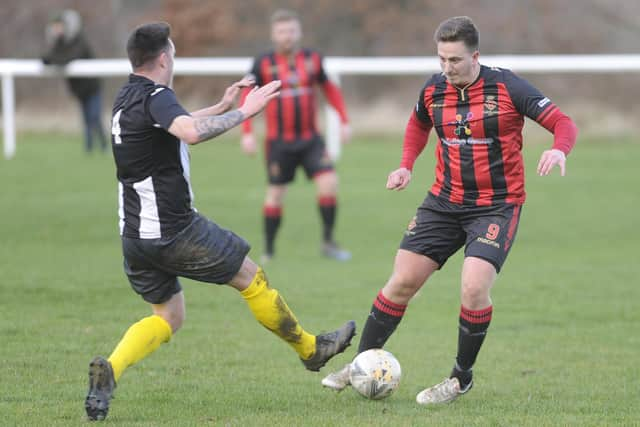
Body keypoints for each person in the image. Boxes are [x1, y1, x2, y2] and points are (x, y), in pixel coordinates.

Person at [84, 22, 356, 421]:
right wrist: (247, 111)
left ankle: (111, 370)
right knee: (251, 277)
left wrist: (222, 108)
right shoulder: (158, 95)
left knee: (169, 317)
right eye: (173, 53)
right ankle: (311, 350)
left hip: (134, 236)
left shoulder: (128, 96)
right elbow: (190, 133)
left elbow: (174, 125)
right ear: (163, 58)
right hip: (175, 231)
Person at [321, 16, 577, 405]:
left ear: (475, 55)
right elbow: (417, 125)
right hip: (443, 202)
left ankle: (460, 379)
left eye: (454, 60)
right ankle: (361, 363)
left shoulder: (508, 86)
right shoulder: (434, 88)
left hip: (495, 207)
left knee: (474, 287)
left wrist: (559, 148)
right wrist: (406, 164)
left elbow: (562, 121)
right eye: (441, 58)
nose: (446, 67)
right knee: (402, 281)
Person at [240, 9, 352, 262]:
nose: (287, 36)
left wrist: (344, 120)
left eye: (291, 30)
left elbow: (330, 90)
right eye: (282, 31)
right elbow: (247, 94)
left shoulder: (312, 59)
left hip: (311, 140)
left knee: (329, 184)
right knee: (276, 194)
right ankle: (268, 251)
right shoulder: (263, 63)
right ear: (273, 34)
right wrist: (246, 131)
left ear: (299, 32)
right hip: (279, 142)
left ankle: (328, 242)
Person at [42, 9, 108, 153]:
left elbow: (68, 58)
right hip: (79, 89)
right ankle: (89, 149)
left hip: (92, 87)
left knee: (94, 117)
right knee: (86, 119)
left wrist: (54, 59)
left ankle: (103, 146)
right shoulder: (59, 43)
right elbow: (47, 59)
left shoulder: (79, 41)